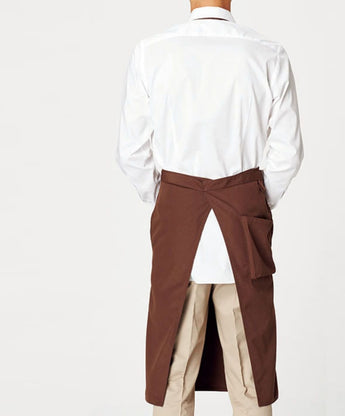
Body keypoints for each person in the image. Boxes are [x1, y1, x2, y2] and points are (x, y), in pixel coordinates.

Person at [116, 1, 304, 414]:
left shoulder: (152, 51)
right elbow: (288, 153)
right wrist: (252, 203)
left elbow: (131, 153)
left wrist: (168, 200)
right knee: (250, 371)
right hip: (243, 231)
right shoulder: (266, 53)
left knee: (173, 370)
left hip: (178, 228)